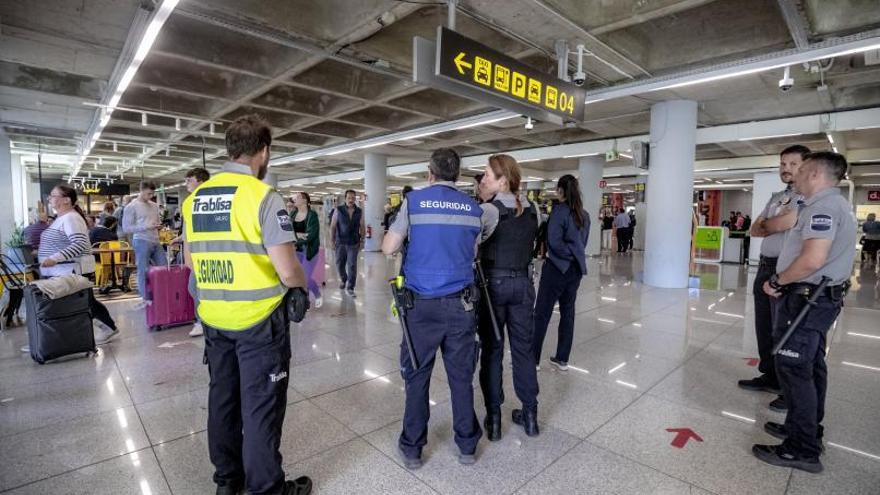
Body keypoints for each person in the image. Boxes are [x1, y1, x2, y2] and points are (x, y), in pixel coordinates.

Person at [182, 115, 312, 495]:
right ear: (264, 151)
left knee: (222, 399)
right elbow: (287, 270)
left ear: (229, 149)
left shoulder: (195, 200)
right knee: (260, 407)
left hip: (214, 317)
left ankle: (228, 481)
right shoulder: (263, 197)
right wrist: (303, 287)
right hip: (259, 321)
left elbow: (190, 263)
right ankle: (267, 488)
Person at [382, 148, 493, 469]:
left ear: (430, 172)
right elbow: (472, 252)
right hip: (462, 305)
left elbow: (389, 247)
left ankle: (413, 448)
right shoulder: (474, 209)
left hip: (420, 307)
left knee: (417, 376)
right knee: (461, 377)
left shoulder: (414, 202)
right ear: (457, 175)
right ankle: (467, 445)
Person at [752, 151, 856, 474]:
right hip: (819, 298)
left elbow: (812, 259)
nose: (794, 174)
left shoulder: (822, 207)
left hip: (807, 299)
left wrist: (778, 280)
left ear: (814, 174)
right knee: (810, 366)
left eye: (802, 169)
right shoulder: (836, 205)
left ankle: (802, 449)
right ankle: (806, 429)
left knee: (795, 369)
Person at [740, 145, 809, 413]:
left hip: (788, 269)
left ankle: (786, 385)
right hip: (765, 266)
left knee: (785, 328)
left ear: (806, 167)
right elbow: (755, 229)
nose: (786, 168)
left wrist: (772, 223)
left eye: (793, 163)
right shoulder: (777, 196)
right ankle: (769, 375)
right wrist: (773, 223)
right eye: (782, 163)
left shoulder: (808, 199)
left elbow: (779, 224)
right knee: (764, 325)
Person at [477, 154, 541, 441]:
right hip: (524, 286)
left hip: (493, 287)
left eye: (487, 175)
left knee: (492, 350)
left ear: (503, 181)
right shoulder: (534, 209)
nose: (483, 179)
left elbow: (473, 246)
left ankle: (493, 420)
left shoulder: (488, 212)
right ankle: (530, 415)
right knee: (523, 350)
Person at [25, 185, 118, 349]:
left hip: (69, 269)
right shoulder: (62, 218)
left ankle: (108, 328)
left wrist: (54, 258)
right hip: (61, 270)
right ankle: (44, 340)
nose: (50, 199)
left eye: (53, 196)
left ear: (66, 200)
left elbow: (80, 244)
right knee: (82, 303)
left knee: (84, 303)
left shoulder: (71, 218)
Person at [532, 175, 590, 370]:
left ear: (561, 191)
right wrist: (574, 255)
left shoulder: (559, 212)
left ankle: (533, 360)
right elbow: (582, 244)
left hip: (557, 269)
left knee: (542, 313)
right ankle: (562, 359)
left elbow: (554, 243)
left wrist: (568, 255)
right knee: (568, 313)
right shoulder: (584, 215)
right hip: (575, 271)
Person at [170, 167, 211, 338]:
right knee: (195, 287)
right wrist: (181, 238)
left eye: (189, 180)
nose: (186, 183)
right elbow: (192, 228)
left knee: (195, 287)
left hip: (205, 253)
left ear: (200, 181)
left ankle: (202, 322)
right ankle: (204, 321)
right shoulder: (191, 201)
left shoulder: (206, 200)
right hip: (196, 253)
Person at [123, 182, 165, 309]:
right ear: (141, 191)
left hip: (155, 240)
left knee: (163, 268)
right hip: (141, 240)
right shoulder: (131, 206)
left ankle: (161, 295)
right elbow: (126, 228)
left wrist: (158, 225)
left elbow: (156, 220)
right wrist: (146, 226)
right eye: (148, 193)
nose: (151, 196)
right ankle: (145, 298)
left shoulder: (154, 205)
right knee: (143, 270)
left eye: (153, 194)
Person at [329, 189, 364, 297]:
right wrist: (332, 240)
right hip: (340, 242)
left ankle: (350, 287)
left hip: (353, 242)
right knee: (339, 264)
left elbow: (362, 226)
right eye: (349, 198)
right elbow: (333, 226)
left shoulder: (359, 211)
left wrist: (362, 240)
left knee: (352, 265)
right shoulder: (338, 210)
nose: (351, 200)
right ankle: (344, 279)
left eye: (353, 198)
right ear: (345, 198)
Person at [292, 191, 323, 309]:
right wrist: (298, 235)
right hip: (295, 250)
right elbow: (287, 231)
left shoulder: (312, 215)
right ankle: (306, 302)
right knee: (298, 278)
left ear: (305, 200)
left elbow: (311, 235)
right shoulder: (293, 214)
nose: (295, 199)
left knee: (305, 277)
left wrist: (297, 239)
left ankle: (317, 294)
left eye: (298, 197)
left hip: (309, 250)